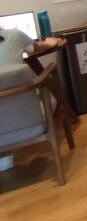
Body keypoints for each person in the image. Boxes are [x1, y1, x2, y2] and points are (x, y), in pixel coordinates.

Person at [0, 28, 58, 171]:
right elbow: (39, 46)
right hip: (31, 123)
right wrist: (49, 42)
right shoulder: (15, 35)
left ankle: (4, 156)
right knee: (47, 90)